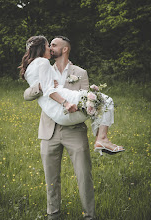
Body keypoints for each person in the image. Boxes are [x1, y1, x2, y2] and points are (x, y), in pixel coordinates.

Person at [20, 35, 124, 219]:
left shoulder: (80, 72)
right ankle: (53, 214)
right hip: (49, 131)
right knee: (51, 177)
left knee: (84, 176)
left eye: (54, 45)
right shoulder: (43, 66)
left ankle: (89, 216)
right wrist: (40, 87)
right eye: (48, 45)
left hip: (74, 130)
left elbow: (87, 102)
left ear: (65, 49)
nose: (50, 48)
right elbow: (27, 94)